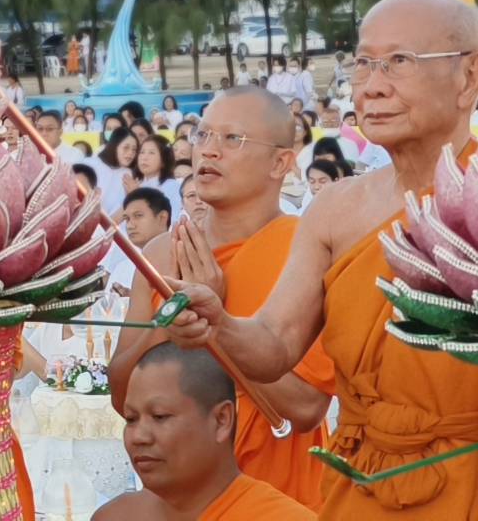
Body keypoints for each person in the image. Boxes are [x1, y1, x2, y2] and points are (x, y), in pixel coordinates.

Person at [161, 0, 478, 520]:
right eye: (363, 63)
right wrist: (220, 325)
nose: (372, 85)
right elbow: (274, 343)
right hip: (359, 485)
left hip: (475, 485)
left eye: (399, 61)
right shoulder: (336, 209)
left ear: (468, 76)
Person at [109, 87, 335, 512]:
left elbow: (306, 408)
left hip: (277, 496)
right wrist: (168, 325)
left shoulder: (307, 252)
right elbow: (122, 396)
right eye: (203, 135)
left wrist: (218, 323)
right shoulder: (162, 255)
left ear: (280, 163)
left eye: (233, 139)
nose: (209, 151)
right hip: (182, 496)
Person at [94, 343, 315, 521]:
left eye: (160, 416)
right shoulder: (114, 517)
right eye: (131, 419)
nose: (139, 437)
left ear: (221, 420)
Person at [109, 186, 174, 295]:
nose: (130, 226)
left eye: (138, 216)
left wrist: (134, 298)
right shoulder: (121, 268)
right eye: (127, 219)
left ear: (162, 217)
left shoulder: (182, 258)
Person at [130, 134, 182, 222]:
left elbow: (172, 219)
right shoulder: (134, 184)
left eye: (151, 153)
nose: (144, 158)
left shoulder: (173, 186)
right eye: (142, 152)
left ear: (164, 161)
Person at [90, 128, 140, 219]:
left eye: (134, 150)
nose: (130, 153)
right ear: (114, 146)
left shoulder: (128, 174)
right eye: (126, 147)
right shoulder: (90, 164)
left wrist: (132, 196)